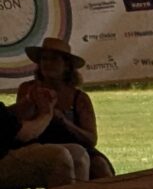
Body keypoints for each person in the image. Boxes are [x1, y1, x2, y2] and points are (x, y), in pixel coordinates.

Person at [27, 37, 113, 179]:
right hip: (39, 148)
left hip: (78, 148)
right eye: (44, 59)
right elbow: (17, 127)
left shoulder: (79, 98)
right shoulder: (28, 90)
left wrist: (63, 121)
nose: (47, 63)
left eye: (54, 59)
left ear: (66, 66)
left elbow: (91, 139)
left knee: (99, 166)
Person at [0, 79, 88, 189]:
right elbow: (25, 134)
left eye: (54, 60)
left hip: (9, 151)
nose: (48, 64)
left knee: (79, 154)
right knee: (57, 157)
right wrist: (46, 114)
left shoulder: (78, 96)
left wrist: (30, 100)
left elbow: (5, 115)